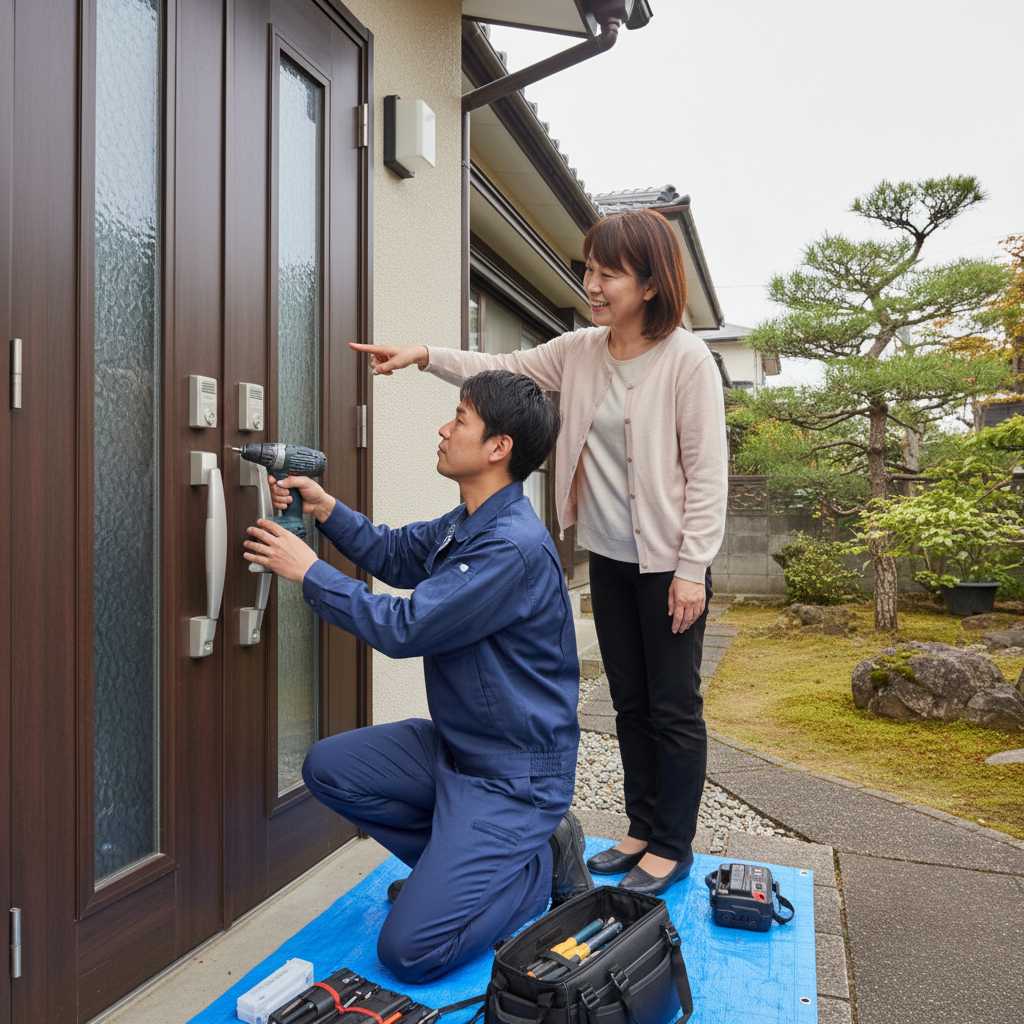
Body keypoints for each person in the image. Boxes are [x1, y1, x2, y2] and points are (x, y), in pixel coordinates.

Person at [351, 209, 728, 897]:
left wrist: (693, 569)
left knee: (673, 705)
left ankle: (672, 844)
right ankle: (641, 829)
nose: (593, 283)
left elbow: (706, 471)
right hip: (610, 555)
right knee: (628, 698)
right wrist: (426, 356)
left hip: (671, 563)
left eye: (608, 273)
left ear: (649, 284)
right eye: (589, 269)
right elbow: (502, 365)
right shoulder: (581, 350)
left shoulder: (686, 359)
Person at [243, 369, 593, 984]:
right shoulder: (471, 520)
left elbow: (407, 626)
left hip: (513, 777)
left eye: (460, 418)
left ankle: (536, 866)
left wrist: (309, 572)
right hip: (459, 751)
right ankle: (458, 869)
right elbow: (399, 553)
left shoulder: (508, 547)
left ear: (498, 447)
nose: (444, 428)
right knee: (329, 768)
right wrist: (325, 510)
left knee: (408, 952)